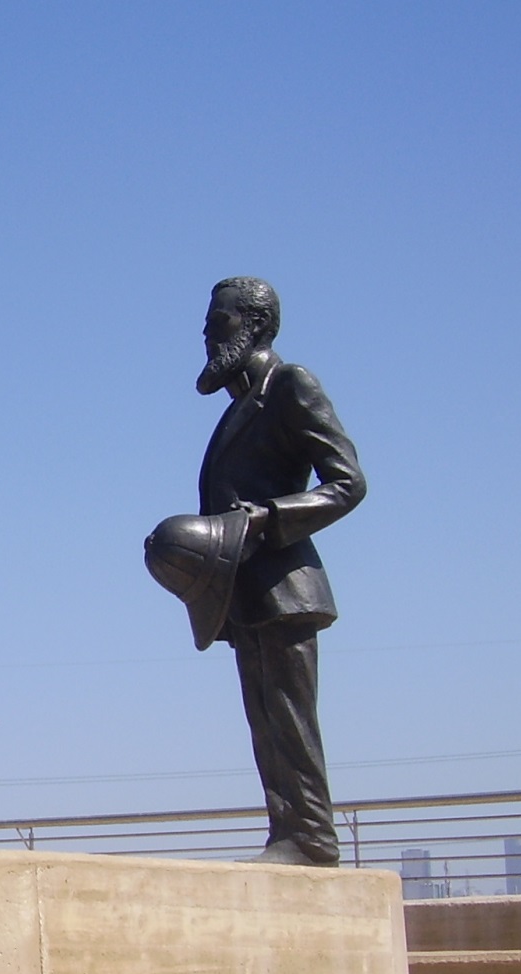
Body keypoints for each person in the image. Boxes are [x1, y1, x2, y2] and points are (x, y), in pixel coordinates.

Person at [186, 276, 366, 866]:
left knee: (289, 719)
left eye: (221, 320)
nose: (208, 332)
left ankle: (312, 835)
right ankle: (287, 833)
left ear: (256, 324)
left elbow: (347, 483)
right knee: (265, 722)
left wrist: (269, 518)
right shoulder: (239, 405)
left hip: (286, 587)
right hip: (244, 593)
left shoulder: (289, 385)